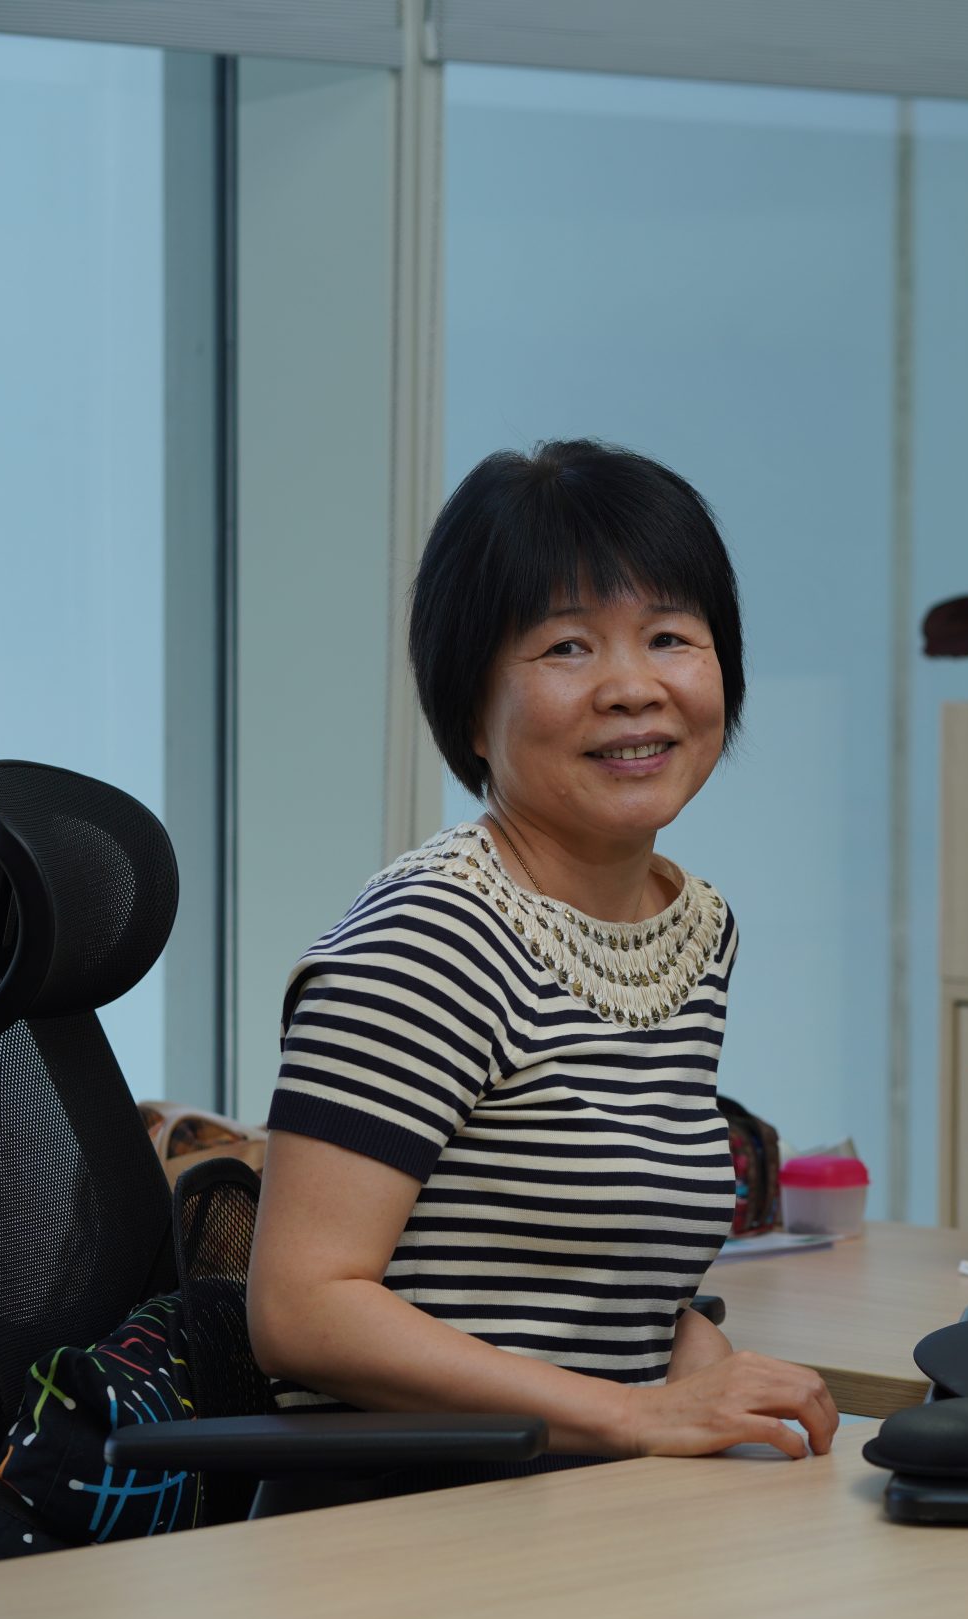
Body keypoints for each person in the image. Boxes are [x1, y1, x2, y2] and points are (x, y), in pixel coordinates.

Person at [247, 440, 837, 1465]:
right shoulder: (429, 939)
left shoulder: (688, 929)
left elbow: (584, 1272)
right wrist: (637, 1414)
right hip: (412, 1522)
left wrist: (692, 1360)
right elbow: (303, 1309)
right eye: (567, 648)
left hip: (589, 1501)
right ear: (471, 704)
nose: (631, 688)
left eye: (668, 637)